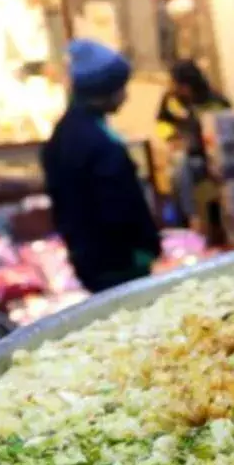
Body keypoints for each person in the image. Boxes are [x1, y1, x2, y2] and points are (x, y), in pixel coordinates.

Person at [41, 40, 160, 293]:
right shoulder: (95, 141)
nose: (125, 96)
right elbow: (117, 205)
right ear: (102, 92)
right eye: (120, 89)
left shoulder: (64, 133)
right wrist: (144, 247)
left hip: (90, 260)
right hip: (118, 262)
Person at [154, 60, 230, 228]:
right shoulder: (171, 99)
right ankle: (188, 219)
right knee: (177, 169)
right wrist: (171, 138)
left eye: (176, 83)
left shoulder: (214, 102)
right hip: (185, 156)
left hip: (208, 158)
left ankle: (199, 220)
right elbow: (161, 122)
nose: (172, 86)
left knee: (183, 168)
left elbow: (223, 133)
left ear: (188, 85)